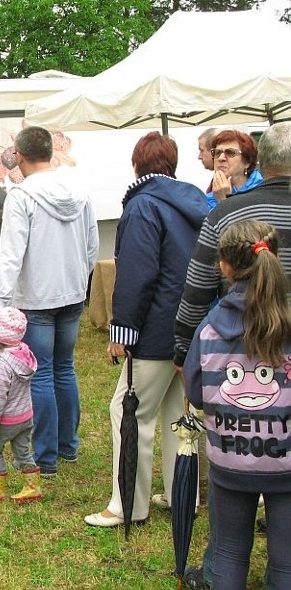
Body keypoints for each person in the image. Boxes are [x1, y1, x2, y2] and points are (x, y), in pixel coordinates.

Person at [174, 121, 291, 590]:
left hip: (232, 455)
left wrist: (187, 349)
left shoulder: (228, 213)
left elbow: (196, 290)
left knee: (226, 548)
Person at [84, 132, 208, 528]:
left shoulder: (143, 207)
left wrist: (122, 334)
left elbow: (137, 276)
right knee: (176, 414)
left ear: (137, 164)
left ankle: (127, 505)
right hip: (190, 325)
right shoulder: (194, 204)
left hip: (157, 330)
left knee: (128, 411)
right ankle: (181, 495)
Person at [0, 126, 98, 478]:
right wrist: (81, 281)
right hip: (70, 292)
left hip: (36, 297)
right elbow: (92, 245)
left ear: (19, 157)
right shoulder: (79, 190)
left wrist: (0, 306)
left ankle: (47, 457)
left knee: (40, 375)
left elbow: (10, 255)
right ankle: (67, 446)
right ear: (50, 152)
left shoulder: (21, 196)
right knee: (64, 369)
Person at [0, 306, 41, 503]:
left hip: (7, 419)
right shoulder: (24, 354)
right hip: (26, 415)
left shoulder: (2, 364)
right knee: (22, 451)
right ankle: (33, 487)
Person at [205, 129, 263, 210]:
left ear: (247, 162)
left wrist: (224, 200)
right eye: (217, 152)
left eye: (230, 153)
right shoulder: (205, 200)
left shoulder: (262, 192)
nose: (221, 158)